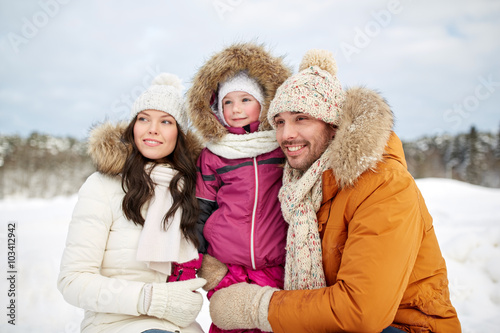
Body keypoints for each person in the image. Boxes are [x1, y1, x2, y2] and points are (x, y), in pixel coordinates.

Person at [206, 49, 462, 332]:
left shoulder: (383, 184)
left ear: (333, 125)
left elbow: (361, 312)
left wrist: (258, 307)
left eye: (301, 118)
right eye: (279, 122)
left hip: (405, 327)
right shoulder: (301, 189)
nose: (286, 135)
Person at [57, 73, 207, 333]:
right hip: (115, 324)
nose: (152, 129)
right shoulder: (103, 186)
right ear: (132, 126)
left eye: (166, 121)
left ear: (179, 134)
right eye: (143, 119)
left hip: (181, 327)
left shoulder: (191, 190)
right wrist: (150, 299)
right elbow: (72, 281)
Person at [186, 42, 291, 333]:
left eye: (245, 100)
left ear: (264, 102)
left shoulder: (281, 146)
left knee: (274, 324)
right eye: (227, 102)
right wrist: (204, 261)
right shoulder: (215, 153)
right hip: (227, 265)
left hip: (277, 263)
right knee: (231, 325)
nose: (236, 109)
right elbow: (201, 209)